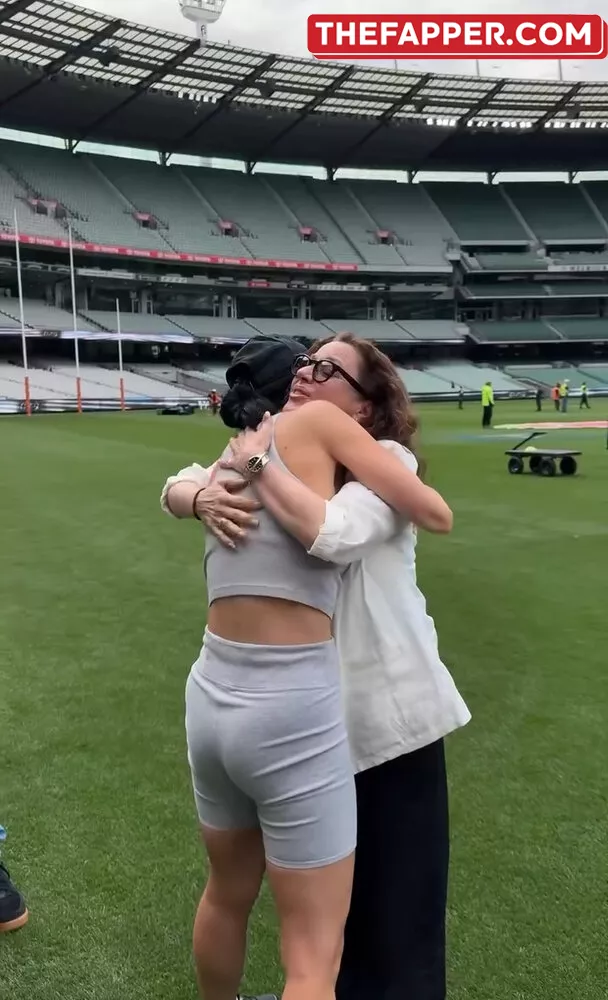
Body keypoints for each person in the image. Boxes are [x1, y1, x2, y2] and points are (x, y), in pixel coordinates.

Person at [163, 334, 467, 1000]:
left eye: (328, 369)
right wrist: (197, 494)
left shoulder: (368, 458)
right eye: (306, 363)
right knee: (318, 948)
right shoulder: (279, 438)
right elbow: (180, 482)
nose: (307, 373)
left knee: (390, 921)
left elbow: (336, 535)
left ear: (366, 407)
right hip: (302, 709)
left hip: (377, 720)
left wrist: (254, 467)